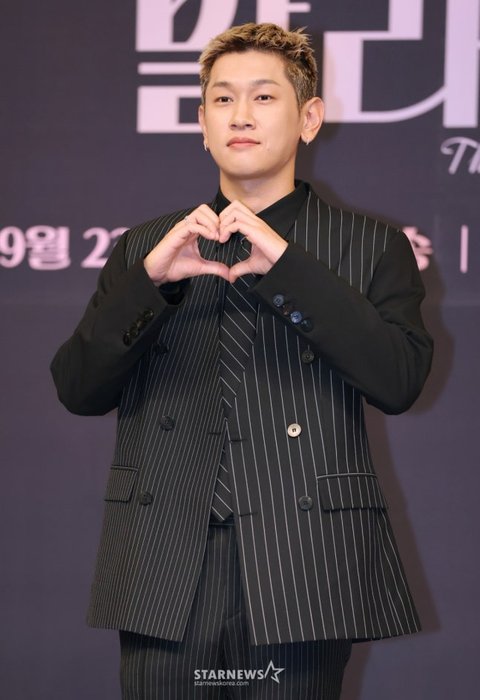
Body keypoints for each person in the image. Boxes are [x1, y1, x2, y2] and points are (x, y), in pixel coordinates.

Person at [51, 22, 433, 700]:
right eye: (222, 100)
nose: (241, 116)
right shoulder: (149, 247)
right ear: (201, 124)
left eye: (263, 97)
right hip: (165, 559)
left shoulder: (370, 245)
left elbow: (398, 381)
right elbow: (78, 388)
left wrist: (287, 269)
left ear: (309, 118)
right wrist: (151, 284)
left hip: (302, 559)